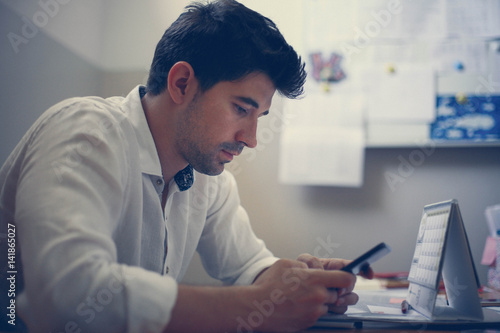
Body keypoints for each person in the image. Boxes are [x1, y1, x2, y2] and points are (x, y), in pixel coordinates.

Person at [0, 1, 372, 332]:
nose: (252, 138)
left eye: (259, 116)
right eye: (241, 109)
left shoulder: (207, 177)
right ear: (181, 83)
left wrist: (292, 283)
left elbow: (248, 266)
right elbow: (66, 298)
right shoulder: (86, 132)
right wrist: (261, 306)